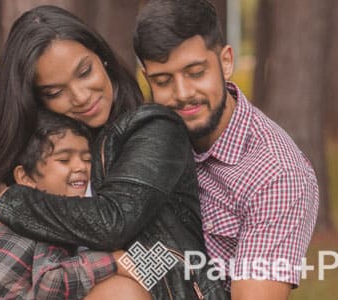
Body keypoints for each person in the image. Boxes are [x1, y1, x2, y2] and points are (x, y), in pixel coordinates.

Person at [0, 5, 227, 300]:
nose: (81, 97)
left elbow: (114, 223)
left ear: (103, 59)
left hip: (171, 280)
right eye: (55, 92)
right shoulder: (48, 162)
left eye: (85, 72)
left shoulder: (155, 127)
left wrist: (14, 201)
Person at [133, 0, 319, 299]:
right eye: (164, 80)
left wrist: (124, 266)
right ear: (147, 79)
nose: (182, 94)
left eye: (195, 72)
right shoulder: (149, 137)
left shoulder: (276, 175)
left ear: (226, 62)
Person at [0, 111, 148, 299]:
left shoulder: (7, 222)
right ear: (24, 177)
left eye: (87, 159)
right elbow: (49, 285)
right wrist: (113, 261)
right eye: (64, 160)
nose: (80, 167)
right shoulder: (42, 220)